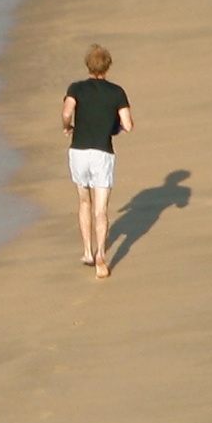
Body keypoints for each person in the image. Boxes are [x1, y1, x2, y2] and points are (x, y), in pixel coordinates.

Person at [62, 44, 133, 278]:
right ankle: (102, 255)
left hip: (79, 150)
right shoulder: (117, 92)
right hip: (103, 152)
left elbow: (66, 113)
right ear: (108, 66)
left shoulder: (76, 88)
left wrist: (67, 127)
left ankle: (87, 252)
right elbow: (128, 125)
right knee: (101, 210)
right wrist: (115, 126)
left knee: (84, 201)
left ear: (88, 66)